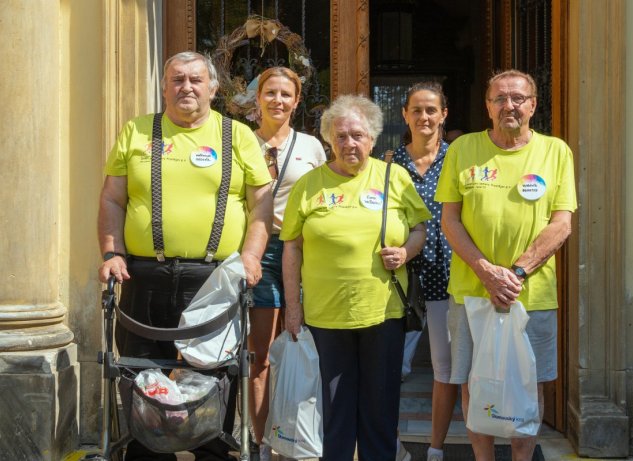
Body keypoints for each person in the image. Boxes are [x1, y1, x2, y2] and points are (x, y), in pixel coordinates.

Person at [97, 51, 273, 461]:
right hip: (142, 275)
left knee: (213, 377)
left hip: (213, 278)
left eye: (196, 80)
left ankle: (211, 453)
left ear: (213, 88)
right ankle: (146, 453)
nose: (186, 87)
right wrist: (112, 252)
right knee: (142, 373)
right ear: (164, 86)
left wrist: (251, 255)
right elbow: (111, 198)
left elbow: (261, 205)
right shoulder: (136, 131)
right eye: (177, 79)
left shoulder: (238, 135)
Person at [435, 69, 577, 461]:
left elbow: (561, 222)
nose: (508, 105)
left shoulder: (555, 151)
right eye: (499, 98)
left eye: (517, 98)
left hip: (530, 294)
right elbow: (450, 220)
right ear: (487, 106)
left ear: (532, 104)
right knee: (472, 383)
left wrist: (515, 273)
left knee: (529, 385)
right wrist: (485, 271)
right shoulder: (463, 149)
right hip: (471, 294)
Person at [281, 94, 431, 461]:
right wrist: (293, 308)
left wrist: (406, 251)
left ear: (373, 139)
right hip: (325, 316)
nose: (350, 143)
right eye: (342, 136)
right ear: (330, 140)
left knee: (380, 409)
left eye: (358, 135)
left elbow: (420, 229)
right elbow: (292, 249)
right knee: (335, 410)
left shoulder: (394, 177)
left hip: (382, 312)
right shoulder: (309, 184)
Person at [249, 66, 327, 461]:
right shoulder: (242, 142)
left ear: (297, 101)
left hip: (302, 251)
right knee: (260, 354)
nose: (277, 100)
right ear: (257, 97)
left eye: (285, 94)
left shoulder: (312, 146)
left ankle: (294, 439)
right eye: (270, 92)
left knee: (298, 344)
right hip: (258, 251)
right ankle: (263, 443)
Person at [384, 82, 454, 461]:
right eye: (417, 110)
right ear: (405, 115)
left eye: (431, 110)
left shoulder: (459, 159)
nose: (424, 117)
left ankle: (436, 449)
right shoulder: (389, 163)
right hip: (402, 280)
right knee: (393, 367)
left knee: (445, 369)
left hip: (448, 277)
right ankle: (392, 445)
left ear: (444, 114)